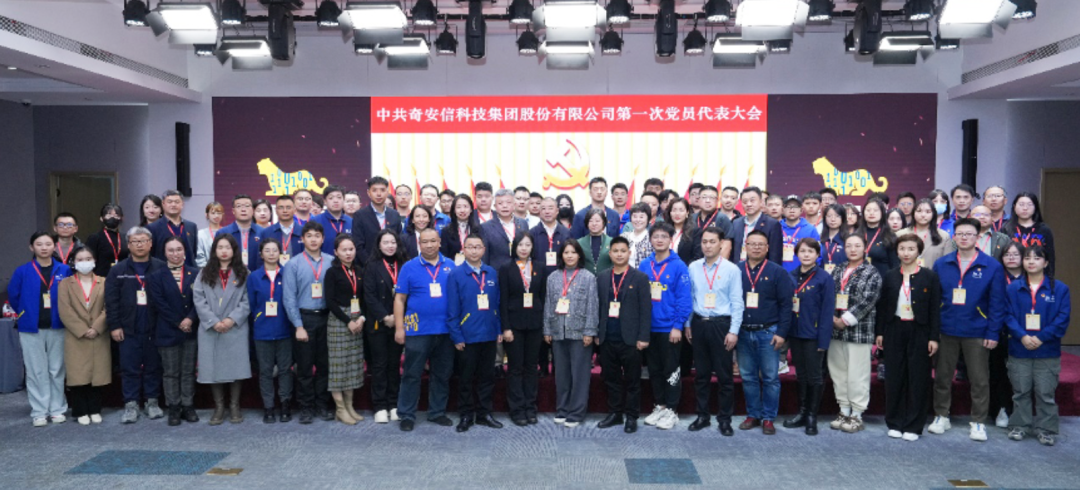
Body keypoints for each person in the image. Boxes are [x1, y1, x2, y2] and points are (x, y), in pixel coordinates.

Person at [928, 218, 1007, 442]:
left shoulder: (991, 266)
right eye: (960, 234)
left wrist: (993, 332)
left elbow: (997, 303)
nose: (964, 238)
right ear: (954, 237)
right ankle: (941, 415)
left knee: (979, 379)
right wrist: (933, 332)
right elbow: (934, 301)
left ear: (977, 237)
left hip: (977, 330)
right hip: (946, 328)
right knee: (942, 377)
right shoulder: (942, 264)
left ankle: (978, 421)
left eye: (969, 234)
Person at [875, 234, 941, 442]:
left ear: (918, 251)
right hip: (894, 328)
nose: (906, 253)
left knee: (918, 378)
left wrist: (933, 337)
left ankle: (914, 425)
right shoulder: (890, 276)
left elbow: (935, 309)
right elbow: (883, 306)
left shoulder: (929, 276)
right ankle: (894, 422)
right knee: (894, 377)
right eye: (902, 248)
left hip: (919, 330)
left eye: (911, 249)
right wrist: (880, 332)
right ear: (897, 251)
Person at [1004, 245, 1070, 446]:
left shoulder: (1060, 289)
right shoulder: (1013, 288)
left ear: (1046, 262)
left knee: (1045, 393)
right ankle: (1020, 425)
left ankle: (1046, 429)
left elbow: (1062, 318)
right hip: (1019, 347)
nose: (1031, 262)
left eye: (1037, 258)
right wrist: (1022, 336)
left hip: (1047, 350)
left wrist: (1041, 337)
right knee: (1020, 392)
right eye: (1027, 258)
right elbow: (1007, 315)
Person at [394, 227, 457, 431]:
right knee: (412, 374)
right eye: (425, 242)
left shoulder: (451, 266)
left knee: (442, 374)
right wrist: (399, 328)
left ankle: (437, 412)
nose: (429, 245)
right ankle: (406, 414)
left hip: (445, 330)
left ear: (439, 242)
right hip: (417, 330)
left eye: (433, 241)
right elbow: (400, 299)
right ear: (419, 244)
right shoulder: (409, 267)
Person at [9, 232, 72, 426]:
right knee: (36, 370)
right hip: (31, 328)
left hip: (58, 326)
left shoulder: (64, 270)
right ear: (32, 247)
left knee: (57, 369)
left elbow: (71, 295)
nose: (44, 248)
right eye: (39, 244)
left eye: (48, 244)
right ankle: (39, 411)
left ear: (54, 246)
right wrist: (24, 314)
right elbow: (14, 296)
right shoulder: (23, 271)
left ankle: (57, 409)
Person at [684, 227, 743, 436]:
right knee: (701, 374)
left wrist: (734, 331)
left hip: (722, 325)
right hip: (699, 323)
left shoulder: (731, 269)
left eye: (712, 242)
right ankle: (702, 415)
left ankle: (724, 419)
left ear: (721, 244)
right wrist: (688, 324)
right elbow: (690, 297)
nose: (708, 246)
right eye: (704, 242)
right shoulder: (693, 267)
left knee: (725, 376)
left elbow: (737, 302)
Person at [734, 230, 794, 435]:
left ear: (768, 248)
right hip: (743, 332)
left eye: (761, 244)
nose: (756, 247)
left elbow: (786, 305)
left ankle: (768, 418)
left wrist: (782, 333)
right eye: (752, 244)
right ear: (746, 247)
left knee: (770, 378)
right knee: (748, 377)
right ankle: (753, 414)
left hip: (769, 332)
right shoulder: (736, 270)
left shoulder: (778, 272)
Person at [106, 226, 166, 424]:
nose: (139, 245)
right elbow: (111, 301)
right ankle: (131, 404)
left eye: (143, 241)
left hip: (154, 327)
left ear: (150, 243)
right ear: (128, 245)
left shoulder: (161, 267)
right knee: (129, 368)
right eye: (135, 242)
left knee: (153, 366)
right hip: (127, 327)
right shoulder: (118, 270)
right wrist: (114, 325)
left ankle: (152, 402)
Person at [636, 223, 692, 431]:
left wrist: (678, 325)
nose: (659, 240)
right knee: (654, 370)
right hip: (649, 328)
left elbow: (684, 299)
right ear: (650, 240)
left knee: (671, 370)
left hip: (669, 328)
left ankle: (671, 410)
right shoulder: (644, 265)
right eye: (656, 236)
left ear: (670, 240)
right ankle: (660, 405)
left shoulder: (679, 266)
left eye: (664, 236)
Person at [192, 234, 251, 425]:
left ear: (234, 250)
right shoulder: (204, 273)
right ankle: (219, 407)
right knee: (213, 367)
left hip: (235, 327)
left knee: (236, 367)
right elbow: (198, 299)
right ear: (214, 250)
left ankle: (234, 406)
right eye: (220, 247)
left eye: (228, 247)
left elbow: (248, 300)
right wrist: (214, 321)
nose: (224, 251)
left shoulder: (243, 272)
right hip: (211, 328)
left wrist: (231, 319)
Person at [446, 234, 503, 432]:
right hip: (467, 335)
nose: (474, 250)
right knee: (466, 378)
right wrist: (456, 335)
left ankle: (484, 413)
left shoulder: (491, 273)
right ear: (464, 249)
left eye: (478, 247)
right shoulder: (456, 274)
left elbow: (496, 304)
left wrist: (498, 329)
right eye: (470, 247)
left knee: (487, 377)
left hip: (489, 334)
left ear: (484, 250)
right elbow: (452, 309)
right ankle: (466, 414)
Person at [828, 234, 882, 434]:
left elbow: (869, 300)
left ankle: (857, 414)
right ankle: (843, 410)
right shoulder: (838, 269)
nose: (852, 249)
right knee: (838, 372)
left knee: (857, 374)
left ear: (865, 248)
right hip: (835, 329)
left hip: (859, 330)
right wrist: (832, 318)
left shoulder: (871, 272)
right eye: (849, 246)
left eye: (857, 246)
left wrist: (845, 320)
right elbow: (828, 295)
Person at [282, 221, 334, 424]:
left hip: (327, 318)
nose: (313, 240)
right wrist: (298, 326)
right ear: (302, 239)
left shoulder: (331, 261)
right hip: (304, 319)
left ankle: (322, 405)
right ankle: (306, 407)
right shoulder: (293, 264)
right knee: (304, 368)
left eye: (317, 236)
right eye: (309, 236)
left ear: (323, 239)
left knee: (324, 366)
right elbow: (289, 298)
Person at [782, 238, 835, 436]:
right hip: (795, 333)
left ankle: (812, 415)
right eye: (802, 251)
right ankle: (802, 412)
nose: (806, 255)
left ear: (817, 255)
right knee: (801, 374)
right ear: (797, 254)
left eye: (810, 251)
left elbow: (827, 311)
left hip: (814, 335)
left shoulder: (824, 278)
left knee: (814, 375)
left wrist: (823, 340)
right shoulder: (791, 275)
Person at [544, 240, 599, 428]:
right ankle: (563, 409)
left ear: (579, 255)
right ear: (561, 255)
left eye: (573, 252)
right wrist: (547, 329)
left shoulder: (588, 277)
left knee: (579, 375)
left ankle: (576, 412)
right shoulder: (553, 277)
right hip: (558, 331)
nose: (569, 256)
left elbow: (592, 306)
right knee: (561, 375)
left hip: (580, 333)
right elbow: (548, 305)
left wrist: (589, 331)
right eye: (566, 252)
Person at [147, 237, 200, 426]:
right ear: (164, 253)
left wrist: (190, 319)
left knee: (188, 371)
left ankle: (188, 405)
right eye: (171, 250)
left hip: (190, 329)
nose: (175, 254)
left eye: (179, 249)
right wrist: (179, 322)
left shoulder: (196, 273)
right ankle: (174, 407)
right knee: (170, 372)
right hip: (167, 330)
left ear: (185, 251)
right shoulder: (155, 276)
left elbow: (200, 301)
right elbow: (159, 304)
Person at [57, 246, 110, 426]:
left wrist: (96, 328)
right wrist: (82, 329)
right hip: (76, 336)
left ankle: (95, 409)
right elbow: (65, 310)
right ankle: (80, 411)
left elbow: (109, 307)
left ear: (94, 261)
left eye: (88, 258)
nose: (85, 262)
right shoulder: (65, 284)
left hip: (99, 335)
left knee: (97, 374)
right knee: (78, 375)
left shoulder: (104, 282)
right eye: (80, 259)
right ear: (73, 262)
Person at [500, 233, 546, 426]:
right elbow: (502, 300)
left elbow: (543, 297)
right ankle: (517, 409)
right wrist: (506, 328)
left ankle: (530, 407)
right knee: (515, 368)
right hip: (514, 326)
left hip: (535, 324)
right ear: (514, 247)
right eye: (520, 245)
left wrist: (544, 325)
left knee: (531, 367)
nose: (524, 248)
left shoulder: (540, 267)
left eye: (528, 244)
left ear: (532, 247)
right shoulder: (506, 268)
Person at [363, 229, 407, 424]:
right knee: (379, 365)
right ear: (379, 245)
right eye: (386, 242)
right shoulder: (372, 266)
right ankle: (379, 405)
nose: (390, 246)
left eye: (393, 242)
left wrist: (398, 319)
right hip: (378, 323)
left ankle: (393, 403)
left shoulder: (404, 264)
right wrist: (384, 317)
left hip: (399, 323)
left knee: (394, 364)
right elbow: (369, 296)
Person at [247, 238, 294, 424]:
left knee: (285, 370)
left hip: (285, 330)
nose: (272, 253)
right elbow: (251, 304)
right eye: (267, 250)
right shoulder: (254, 277)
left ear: (280, 253)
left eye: (275, 250)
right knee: (265, 371)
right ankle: (268, 407)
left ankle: (285, 405)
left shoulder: (287, 273)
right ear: (261, 254)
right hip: (263, 331)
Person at [323, 235, 367, 425]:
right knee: (338, 366)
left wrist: (361, 318)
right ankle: (340, 409)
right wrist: (348, 321)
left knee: (352, 365)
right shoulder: (332, 272)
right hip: (339, 320)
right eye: (344, 250)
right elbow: (330, 301)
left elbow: (365, 298)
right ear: (336, 252)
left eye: (351, 249)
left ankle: (350, 406)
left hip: (358, 319)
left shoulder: (359, 270)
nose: (348, 253)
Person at [990, 241, 1024, 428]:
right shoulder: (996, 276)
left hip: (1024, 333)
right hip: (999, 331)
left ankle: (1019, 412)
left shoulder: (1031, 277)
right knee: (998, 373)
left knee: (1020, 375)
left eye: (1015, 254)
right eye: (1007, 254)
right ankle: (1001, 408)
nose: (1011, 258)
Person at [353, 176, 403, 262]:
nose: (379, 194)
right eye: (374, 190)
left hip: (392, 263)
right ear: (368, 193)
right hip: (368, 264)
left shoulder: (394, 214)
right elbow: (358, 245)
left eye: (382, 190)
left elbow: (399, 241)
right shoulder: (360, 215)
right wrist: (370, 265)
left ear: (387, 192)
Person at [1004, 192, 1055, 276]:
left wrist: (1049, 279)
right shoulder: (1006, 228)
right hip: (1011, 275)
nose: (1025, 208)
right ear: (1014, 207)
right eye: (1021, 204)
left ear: (1035, 207)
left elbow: (1050, 257)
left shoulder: (1044, 230)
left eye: (1029, 204)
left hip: (1037, 275)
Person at [481, 189, 529, 272]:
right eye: (500, 203)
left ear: (514, 205)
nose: (505, 206)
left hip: (521, 272)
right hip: (497, 273)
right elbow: (484, 256)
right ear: (495, 206)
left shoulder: (523, 223)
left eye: (508, 202)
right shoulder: (485, 227)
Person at [897, 199, 955, 267]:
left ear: (933, 214)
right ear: (913, 213)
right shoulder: (900, 234)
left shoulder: (944, 236)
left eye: (928, 212)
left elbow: (947, 263)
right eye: (919, 211)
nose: (923, 215)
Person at [731, 187, 782, 264]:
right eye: (745, 201)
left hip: (761, 269)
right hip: (738, 267)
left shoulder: (772, 224)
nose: (749, 204)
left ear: (761, 202)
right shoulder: (736, 223)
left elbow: (775, 255)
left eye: (752, 200)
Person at [148, 190, 198, 267]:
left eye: (177, 202)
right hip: (163, 271)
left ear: (182, 204)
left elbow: (193, 252)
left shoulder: (191, 226)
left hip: (188, 271)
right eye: (170, 202)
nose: (173, 205)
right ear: (163, 204)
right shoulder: (153, 228)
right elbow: (151, 254)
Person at [685, 186, 734, 262]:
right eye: (704, 197)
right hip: (693, 262)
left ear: (717, 201)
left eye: (712, 198)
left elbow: (726, 246)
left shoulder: (722, 219)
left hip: (714, 263)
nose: (708, 201)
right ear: (699, 200)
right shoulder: (691, 218)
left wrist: (719, 265)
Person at [217, 194, 264, 270]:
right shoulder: (223, 233)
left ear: (253, 210)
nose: (243, 209)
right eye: (239, 206)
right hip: (231, 275)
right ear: (233, 211)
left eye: (247, 206)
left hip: (257, 275)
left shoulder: (263, 232)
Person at [256, 195, 303, 270]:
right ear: (276, 210)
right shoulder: (266, 233)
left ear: (294, 210)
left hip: (298, 273)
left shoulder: (303, 232)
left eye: (288, 207)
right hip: (273, 274)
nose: (285, 211)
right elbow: (260, 259)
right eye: (281, 207)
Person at [531, 197, 572, 276]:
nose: (547, 212)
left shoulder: (566, 233)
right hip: (538, 276)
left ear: (557, 211)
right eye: (543, 208)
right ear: (540, 212)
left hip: (561, 276)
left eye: (550, 208)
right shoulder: (532, 233)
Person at [84, 203, 129, 277]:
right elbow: (88, 260)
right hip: (101, 279)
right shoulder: (95, 238)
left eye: (116, 215)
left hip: (122, 278)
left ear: (121, 218)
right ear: (101, 218)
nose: (112, 217)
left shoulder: (125, 237)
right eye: (109, 215)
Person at [780, 195, 821, 272]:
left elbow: (818, 254)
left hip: (803, 274)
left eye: (795, 207)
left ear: (801, 210)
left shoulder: (810, 229)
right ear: (782, 210)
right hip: (779, 273)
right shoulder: (776, 227)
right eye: (788, 206)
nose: (792, 210)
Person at [860, 199, 899, 278]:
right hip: (859, 280)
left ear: (882, 213)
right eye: (868, 210)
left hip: (883, 279)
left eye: (875, 210)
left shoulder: (889, 236)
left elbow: (895, 265)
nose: (871, 213)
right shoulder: (857, 235)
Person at [311, 185, 353, 256]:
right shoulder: (315, 221)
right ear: (325, 201)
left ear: (343, 200)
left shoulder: (351, 222)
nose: (335, 201)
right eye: (331, 198)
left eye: (339, 197)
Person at [578, 207, 614, 276]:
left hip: (607, 278)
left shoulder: (611, 242)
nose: (594, 224)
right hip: (585, 279)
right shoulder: (579, 243)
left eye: (597, 221)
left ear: (603, 223)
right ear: (587, 223)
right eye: (591, 221)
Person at [665, 198, 696, 263]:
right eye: (674, 210)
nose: (677, 213)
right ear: (670, 213)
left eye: (681, 210)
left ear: (687, 213)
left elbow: (696, 257)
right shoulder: (664, 231)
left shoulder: (695, 233)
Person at [819, 204, 847, 274]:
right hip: (822, 277)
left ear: (843, 218)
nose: (833, 219)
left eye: (837, 216)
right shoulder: (820, 239)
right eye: (829, 216)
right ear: (825, 218)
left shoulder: (848, 240)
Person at [196, 201, 225, 268]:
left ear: (222, 215)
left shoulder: (227, 232)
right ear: (207, 215)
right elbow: (199, 256)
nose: (216, 216)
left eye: (219, 213)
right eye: (213, 213)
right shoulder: (201, 234)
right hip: (207, 270)